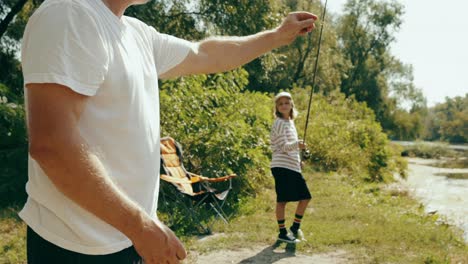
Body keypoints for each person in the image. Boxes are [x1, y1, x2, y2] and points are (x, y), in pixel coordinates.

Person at [20, 0, 318, 262]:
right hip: (78, 249)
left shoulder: (137, 33)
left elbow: (205, 53)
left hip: (125, 238)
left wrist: (276, 36)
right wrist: (140, 226)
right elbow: (53, 145)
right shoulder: (70, 14)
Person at [270, 91, 312, 243]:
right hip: (281, 166)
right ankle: (282, 233)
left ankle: (294, 228)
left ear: (291, 104)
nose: (284, 106)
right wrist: (298, 144)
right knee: (282, 201)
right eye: (280, 104)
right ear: (277, 107)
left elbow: (291, 148)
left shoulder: (290, 122)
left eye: (286, 103)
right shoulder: (279, 123)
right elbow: (284, 146)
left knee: (305, 197)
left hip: (292, 166)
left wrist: (298, 160)